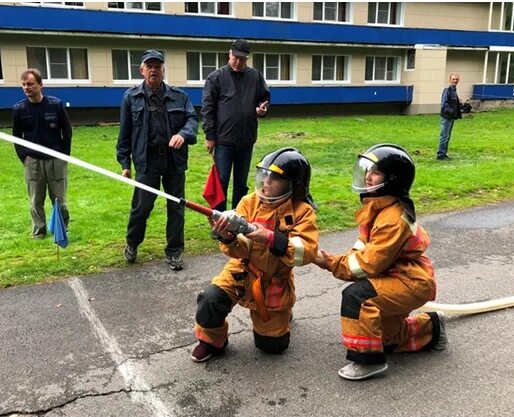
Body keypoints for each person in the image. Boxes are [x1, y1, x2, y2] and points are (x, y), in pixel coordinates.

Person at [313, 144, 447, 381]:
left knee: (357, 296)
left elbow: (366, 266)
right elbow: (362, 250)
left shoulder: (392, 219)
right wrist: (335, 259)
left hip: (409, 280)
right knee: (386, 338)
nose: (367, 176)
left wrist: (329, 262)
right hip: (397, 275)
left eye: (375, 172)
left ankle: (367, 361)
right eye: (368, 170)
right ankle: (432, 327)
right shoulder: (378, 209)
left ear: (392, 180)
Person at [191, 147, 319, 362]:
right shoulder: (248, 202)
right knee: (209, 301)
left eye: (275, 178)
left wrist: (268, 237)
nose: (266, 182)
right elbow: (240, 249)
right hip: (242, 268)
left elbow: (306, 252)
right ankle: (212, 341)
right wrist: (228, 236)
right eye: (264, 175)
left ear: (292, 184)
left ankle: (283, 315)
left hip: (274, 279)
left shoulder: (302, 212)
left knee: (272, 346)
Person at [117, 50, 198, 271]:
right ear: (142, 70)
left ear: (163, 70)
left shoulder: (179, 96)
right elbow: (124, 135)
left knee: (176, 207)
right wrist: (125, 164)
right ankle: (132, 244)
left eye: (158, 66)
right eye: (149, 66)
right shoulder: (131, 97)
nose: (154, 70)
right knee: (141, 207)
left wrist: (183, 134)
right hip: (147, 161)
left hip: (174, 161)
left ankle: (174, 252)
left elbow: (192, 120)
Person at [201, 38, 270, 212]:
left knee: (241, 183)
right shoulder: (216, 78)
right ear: (229, 54)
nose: (238, 62)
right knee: (221, 181)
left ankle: (239, 218)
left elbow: (264, 97)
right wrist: (210, 136)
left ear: (247, 59)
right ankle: (220, 220)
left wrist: (263, 108)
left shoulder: (255, 76)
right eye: (235, 58)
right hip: (223, 141)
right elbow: (207, 109)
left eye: (242, 59)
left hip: (246, 140)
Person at [12, 68, 72, 239]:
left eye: (30, 84)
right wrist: (24, 157)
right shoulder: (19, 109)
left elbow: (67, 132)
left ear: (40, 85)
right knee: (35, 201)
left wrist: (64, 155)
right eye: (23, 85)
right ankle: (39, 231)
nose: (26, 88)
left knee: (59, 200)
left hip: (55, 160)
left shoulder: (56, 105)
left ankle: (62, 230)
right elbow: (16, 136)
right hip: (33, 162)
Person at [437, 72, 464, 160]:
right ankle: (440, 155)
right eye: (453, 79)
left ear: (458, 80)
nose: (455, 81)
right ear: (450, 80)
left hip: (451, 117)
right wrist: (452, 111)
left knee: (447, 136)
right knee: (444, 136)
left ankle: (444, 154)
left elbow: (453, 104)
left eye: (456, 79)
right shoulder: (447, 90)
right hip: (446, 117)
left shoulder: (454, 91)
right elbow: (444, 105)